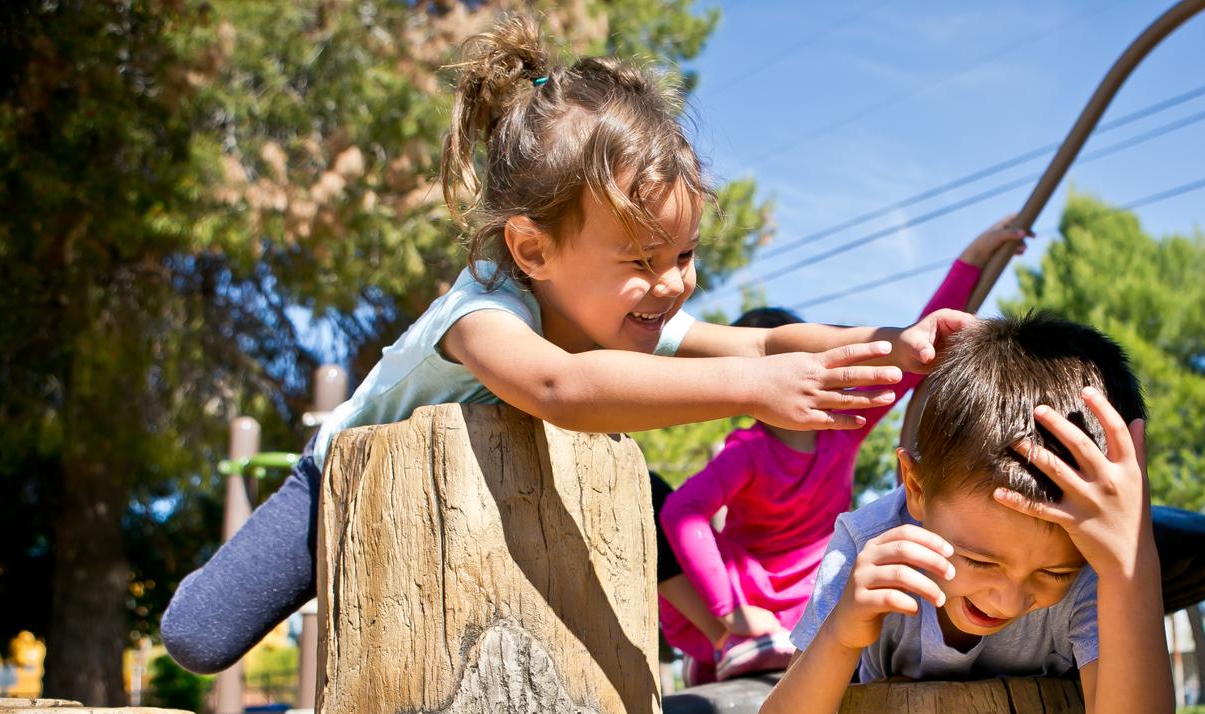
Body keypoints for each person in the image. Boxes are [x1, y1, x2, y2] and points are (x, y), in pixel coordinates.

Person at [160, 13, 970, 677]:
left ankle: (730, 639)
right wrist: (752, 394)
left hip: (497, 486)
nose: (674, 284)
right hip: (347, 481)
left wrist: (897, 342)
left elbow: (760, 348)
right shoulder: (481, 315)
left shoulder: (629, 311)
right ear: (533, 249)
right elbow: (557, 390)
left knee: (642, 497)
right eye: (643, 261)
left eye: (685, 256)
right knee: (199, 637)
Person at [755, 312, 1205, 714]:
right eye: (982, 561)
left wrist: (1126, 560)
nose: (1010, 595)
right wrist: (839, 636)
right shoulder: (870, 551)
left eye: (1052, 572)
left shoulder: (1092, 566)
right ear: (914, 488)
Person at [658, 219, 1033, 684]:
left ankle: (736, 644)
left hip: (807, 600)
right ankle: (726, 643)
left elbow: (920, 347)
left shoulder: (845, 420)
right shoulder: (749, 451)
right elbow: (681, 512)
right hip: (749, 605)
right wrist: (729, 614)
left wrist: (973, 258)